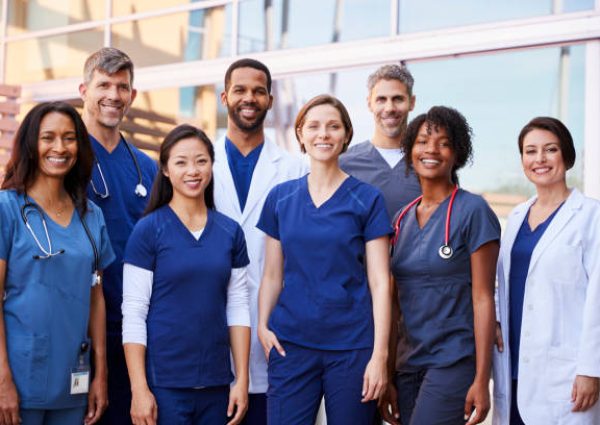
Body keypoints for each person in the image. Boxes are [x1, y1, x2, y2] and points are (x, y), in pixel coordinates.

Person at [257, 94, 392, 425]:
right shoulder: (280, 198)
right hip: (291, 345)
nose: (323, 134)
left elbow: (379, 282)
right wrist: (262, 326)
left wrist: (379, 355)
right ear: (300, 134)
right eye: (314, 126)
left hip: (352, 348)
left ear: (346, 134)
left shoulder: (367, 199)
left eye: (333, 127)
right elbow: (272, 274)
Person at [121, 125, 251, 425]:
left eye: (201, 160)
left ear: (211, 164)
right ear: (165, 169)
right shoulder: (148, 231)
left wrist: (241, 379)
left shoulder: (230, 232)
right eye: (181, 162)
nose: (193, 170)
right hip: (165, 384)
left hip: (217, 384)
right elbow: (134, 314)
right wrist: (139, 389)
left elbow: (238, 306)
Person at [0, 102, 115, 425]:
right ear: (31, 145)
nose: (59, 148)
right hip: (18, 377)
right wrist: (2, 379)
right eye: (48, 137)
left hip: (73, 376)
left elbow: (96, 296)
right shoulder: (7, 208)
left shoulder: (91, 216)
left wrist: (100, 373)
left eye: (69, 138)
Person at [387, 106, 500, 425]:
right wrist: (388, 373)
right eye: (422, 141)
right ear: (410, 150)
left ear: (457, 152)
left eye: (443, 142)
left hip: (452, 361)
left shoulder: (473, 211)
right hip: (408, 364)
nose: (431, 150)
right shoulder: (402, 219)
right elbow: (396, 304)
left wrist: (482, 379)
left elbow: (483, 298)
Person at [212, 58, 306, 424]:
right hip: (209, 334)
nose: (249, 98)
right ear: (224, 97)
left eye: (258, 91)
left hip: (276, 335)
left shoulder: (297, 169)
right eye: (240, 90)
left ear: (270, 99)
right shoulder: (199, 162)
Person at [492, 117, 600, 424]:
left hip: (566, 373)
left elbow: (598, 299)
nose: (539, 159)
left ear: (566, 155)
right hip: (514, 364)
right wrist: (497, 321)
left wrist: (592, 369)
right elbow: (503, 282)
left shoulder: (591, 216)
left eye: (550, 149)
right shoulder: (515, 216)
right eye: (530, 151)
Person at [79, 47, 157, 425]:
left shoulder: (147, 166)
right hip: (79, 322)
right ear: (84, 90)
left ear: (133, 95)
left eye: (122, 86)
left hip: (134, 327)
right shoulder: (66, 156)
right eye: (104, 84)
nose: (113, 94)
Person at [339, 64, 420, 219]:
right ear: (369, 103)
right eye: (381, 99)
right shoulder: (344, 165)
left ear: (412, 102)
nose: (389, 108)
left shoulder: (429, 162)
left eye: (398, 99)